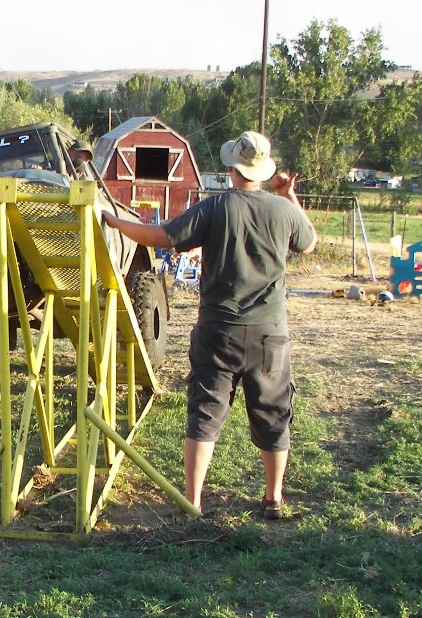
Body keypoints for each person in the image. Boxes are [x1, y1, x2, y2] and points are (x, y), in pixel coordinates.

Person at [102, 130, 317, 519]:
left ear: (231, 167)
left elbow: (161, 237)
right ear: (264, 171)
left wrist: (114, 222)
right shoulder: (284, 211)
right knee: (273, 414)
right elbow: (308, 241)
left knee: (205, 414)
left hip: (218, 330)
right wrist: (288, 196)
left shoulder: (215, 208)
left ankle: (193, 502)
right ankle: (273, 498)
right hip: (270, 334)